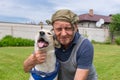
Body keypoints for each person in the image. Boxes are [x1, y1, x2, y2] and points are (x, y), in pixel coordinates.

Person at [23, 9, 98, 80]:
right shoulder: (49, 40)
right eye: (59, 29)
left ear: (75, 27)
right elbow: (26, 69)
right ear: (53, 29)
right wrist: (32, 60)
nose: (63, 34)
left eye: (68, 28)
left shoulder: (84, 45)